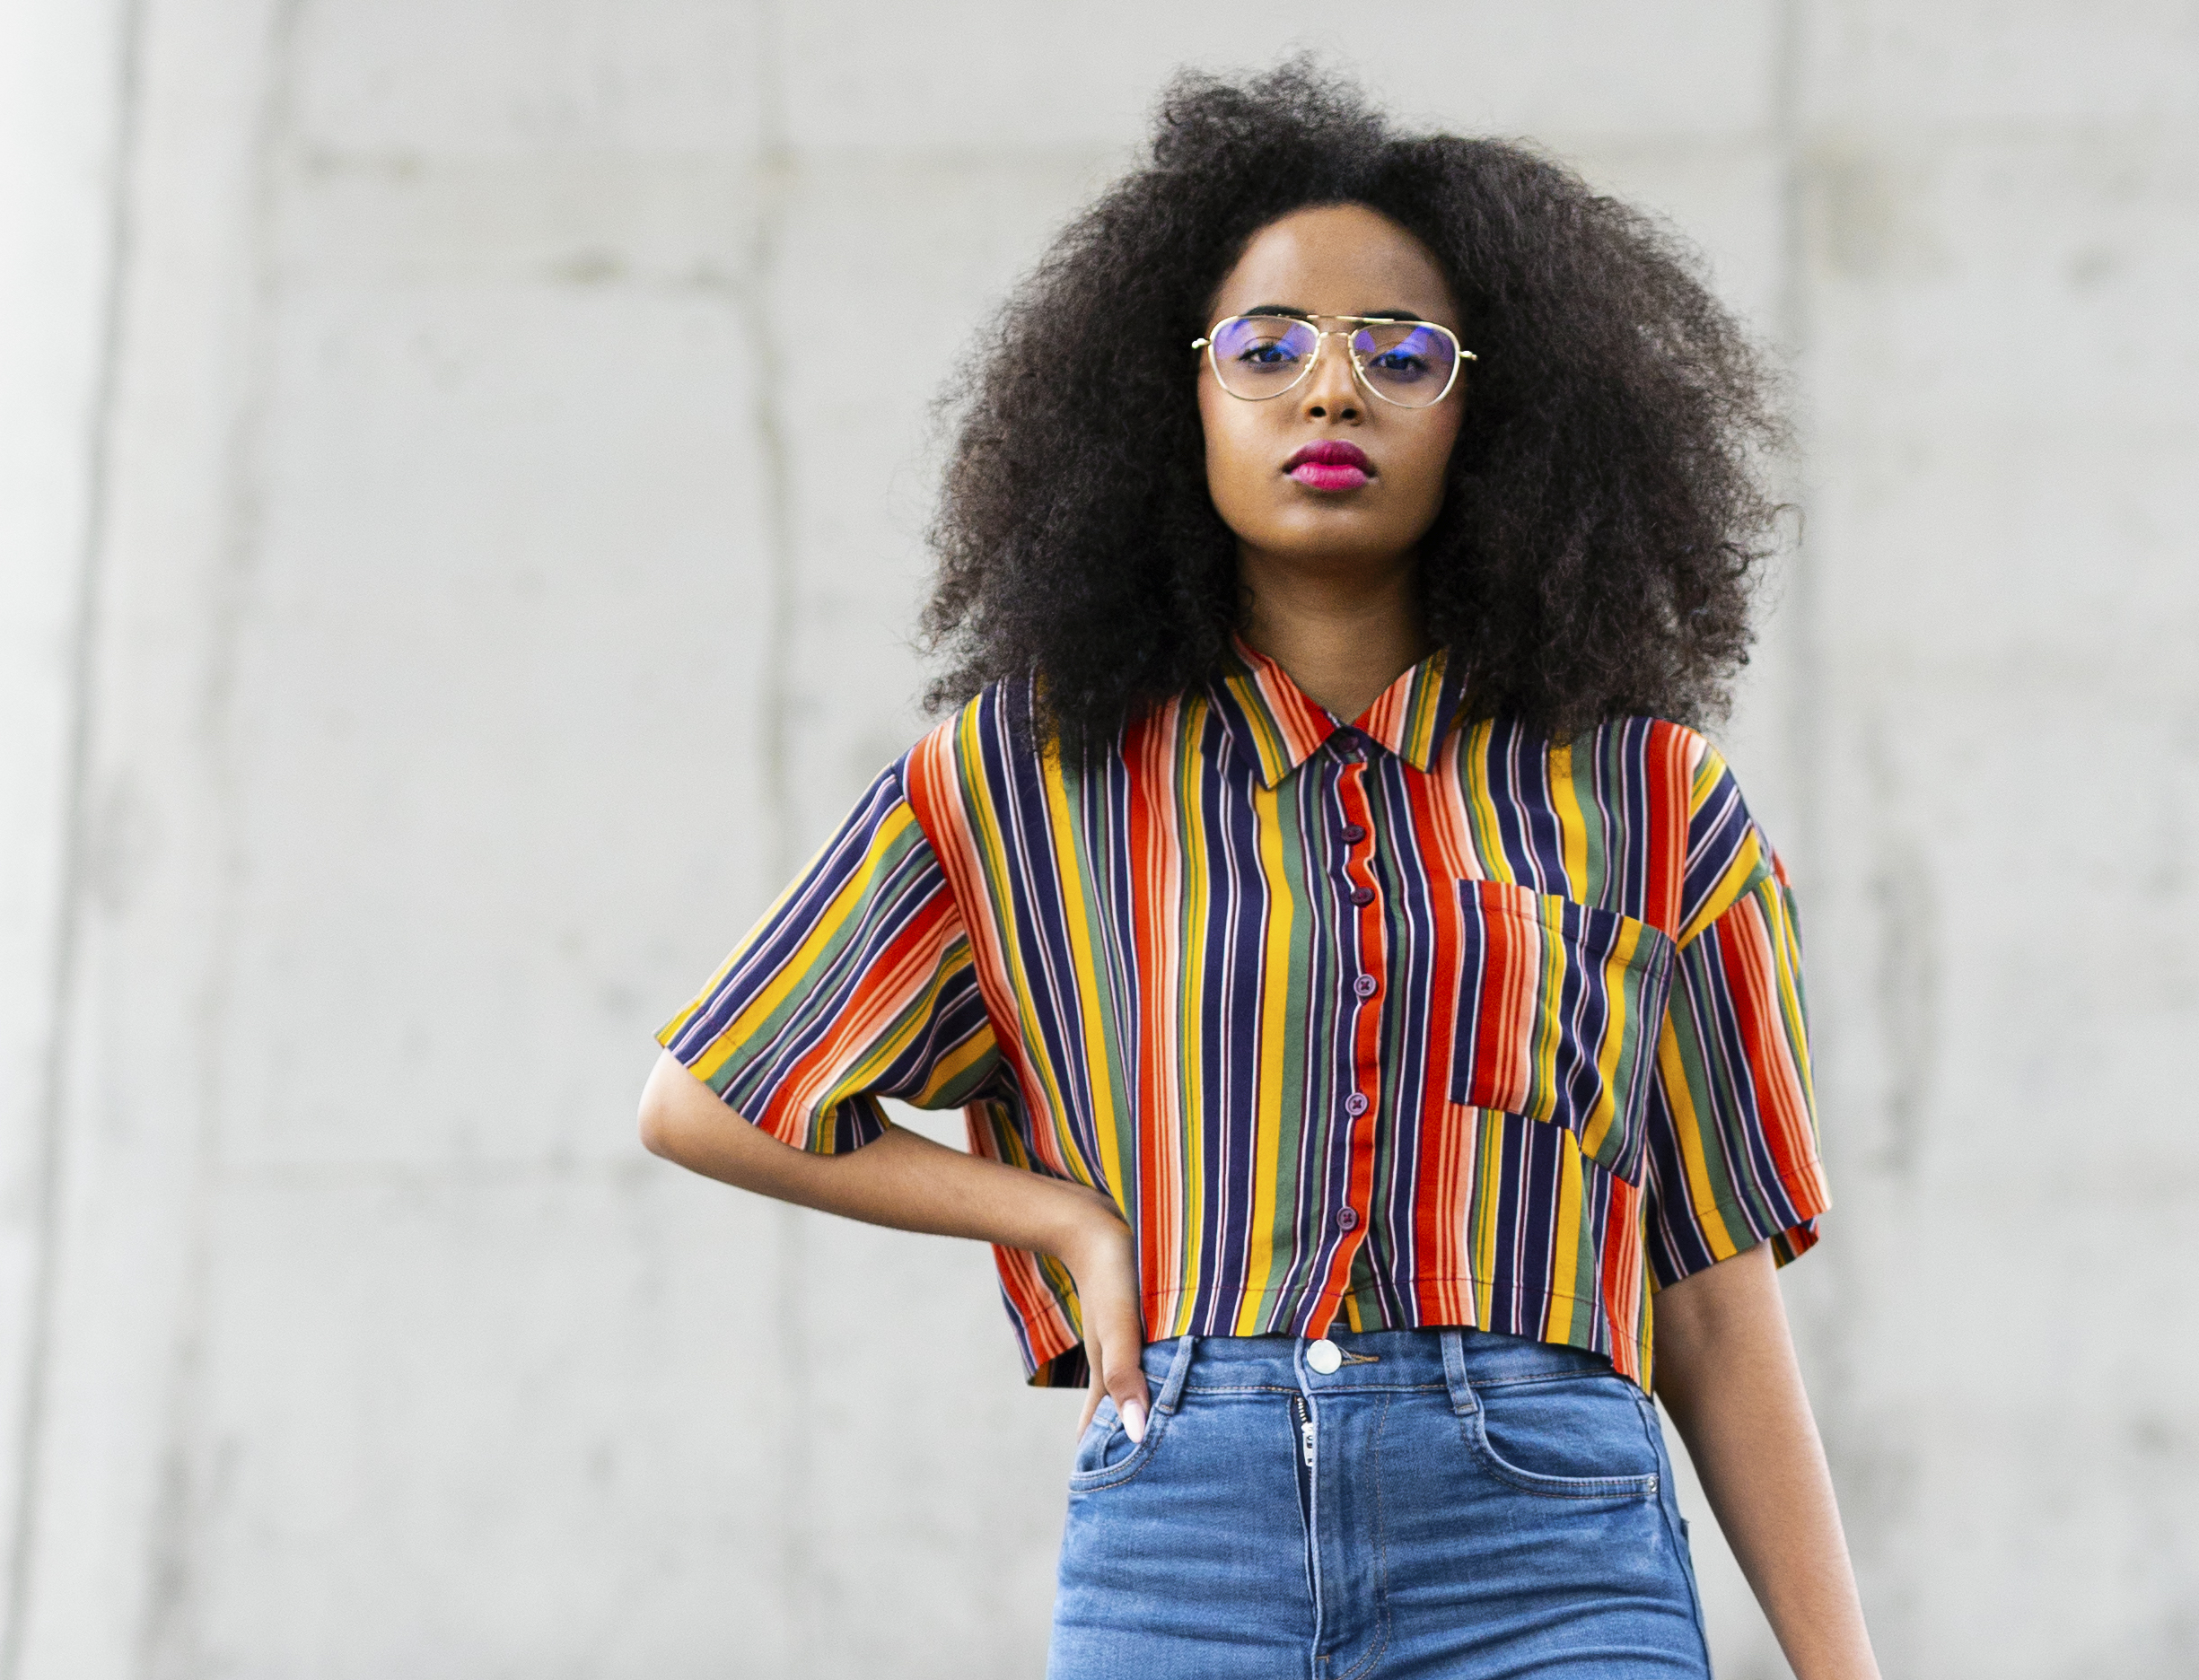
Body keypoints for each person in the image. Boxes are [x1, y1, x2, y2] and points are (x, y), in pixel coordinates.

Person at [636, 65, 1882, 1680]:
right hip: (1185, 1555)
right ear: (1176, 399)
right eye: (1267, 347)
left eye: (1402, 355)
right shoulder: (1027, 779)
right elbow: (709, 1099)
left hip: (1549, 1550)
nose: (1331, 392)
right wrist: (1063, 1223)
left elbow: (1709, 1295)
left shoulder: (1652, 802)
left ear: (1495, 418)